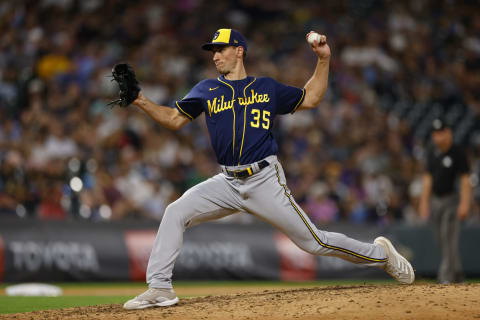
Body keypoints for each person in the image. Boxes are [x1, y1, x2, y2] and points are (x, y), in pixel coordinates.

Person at [123, 28, 414, 310]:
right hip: (226, 182)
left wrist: (323, 59)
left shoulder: (265, 87)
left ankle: (381, 255)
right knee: (175, 211)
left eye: (220, 49)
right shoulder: (206, 89)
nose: (214, 56)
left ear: (239, 51)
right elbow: (174, 119)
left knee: (314, 242)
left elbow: (310, 98)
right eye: (212, 51)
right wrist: (141, 101)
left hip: (264, 179)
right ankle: (160, 287)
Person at [419, 118, 471, 284]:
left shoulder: (457, 152)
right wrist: (424, 202)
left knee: (448, 236)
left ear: (449, 133)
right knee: (441, 240)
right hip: (435, 201)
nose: (438, 137)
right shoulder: (431, 151)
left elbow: (465, 180)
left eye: (441, 133)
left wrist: (465, 203)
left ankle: (446, 277)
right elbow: (427, 179)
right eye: (435, 134)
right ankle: (457, 274)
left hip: (451, 201)